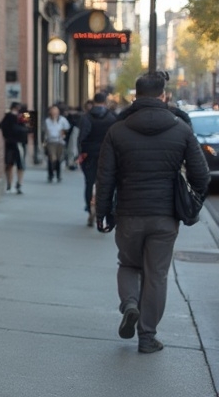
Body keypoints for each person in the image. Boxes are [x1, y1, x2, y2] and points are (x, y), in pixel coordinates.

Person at [94, 72, 209, 353]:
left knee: (129, 265)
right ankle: (147, 337)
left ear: (135, 96)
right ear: (163, 96)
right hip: (165, 215)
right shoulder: (180, 129)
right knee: (156, 275)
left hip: (129, 213)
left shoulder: (117, 130)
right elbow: (202, 176)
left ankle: (130, 304)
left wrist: (102, 213)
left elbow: (105, 177)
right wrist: (189, 199)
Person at [77, 93, 116, 226]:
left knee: (89, 183)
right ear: (105, 102)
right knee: (106, 184)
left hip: (89, 155)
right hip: (107, 155)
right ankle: (103, 210)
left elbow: (82, 136)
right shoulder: (111, 117)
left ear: (93, 102)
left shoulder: (86, 117)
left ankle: (90, 208)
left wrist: (81, 153)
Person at [0, 102, 30, 194]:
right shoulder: (9, 116)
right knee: (9, 164)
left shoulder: (24, 114)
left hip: (19, 142)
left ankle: (19, 184)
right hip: (11, 143)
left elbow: (28, 127)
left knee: (20, 164)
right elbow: (0, 126)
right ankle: (9, 185)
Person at [42, 104, 71, 182]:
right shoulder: (47, 121)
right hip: (51, 141)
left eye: (56, 111)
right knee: (52, 158)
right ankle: (51, 174)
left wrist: (63, 133)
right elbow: (45, 131)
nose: (54, 113)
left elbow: (67, 128)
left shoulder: (62, 120)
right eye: (53, 111)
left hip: (59, 141)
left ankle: (58, 175)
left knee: (58, 159)